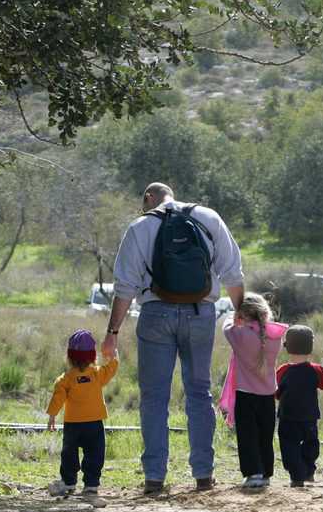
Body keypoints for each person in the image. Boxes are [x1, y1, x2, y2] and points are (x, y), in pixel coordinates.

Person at [102, 182, 244, 495]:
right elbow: (233, 274)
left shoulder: (140, 227)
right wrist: (242, 315)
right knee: (198, 391)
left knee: (154, 397)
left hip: (155, 315)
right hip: (200, 314)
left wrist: (112, 333)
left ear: (149, 198)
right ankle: (203, 475)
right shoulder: (208, 217)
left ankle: (154, 477)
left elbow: (124, 286)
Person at [46, 330, 119, 496]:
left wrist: (52, 416)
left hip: (73, 425)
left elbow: (58, 398)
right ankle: (91, 485)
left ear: (69, 356)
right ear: (93, 356)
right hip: (94, 424)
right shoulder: (97, 374)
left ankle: (69, 483)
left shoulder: (65, 379)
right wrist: (114, 355)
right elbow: (111, 368)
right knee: (95, 454)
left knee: (69, 455)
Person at [223, 293, 284, 489]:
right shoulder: (274, 337)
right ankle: (266, 472)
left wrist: (234, 317)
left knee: (247, 434)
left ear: (242, 315)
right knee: (265, 435)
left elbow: (226, 327)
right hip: (268, 396)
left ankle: (253, 473)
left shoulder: (240, 336)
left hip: (245, 394)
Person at [276, 325, 323, 487]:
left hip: (287, 417)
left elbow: (274, 392)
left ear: (287, 347)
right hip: (309, 417)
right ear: (310, 349)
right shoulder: (316, 370)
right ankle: (309, 470)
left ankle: (297, 476)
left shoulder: (282, 371)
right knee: (311, 443)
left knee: (289, 445)